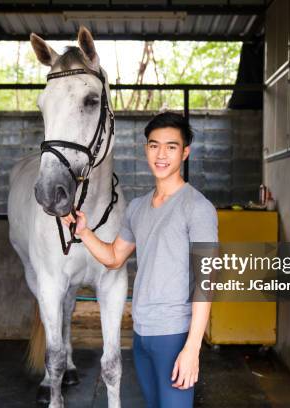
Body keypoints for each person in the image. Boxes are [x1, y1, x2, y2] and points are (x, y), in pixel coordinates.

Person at [61, 111, 218, 407]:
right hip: (141, 333)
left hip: (174, 334)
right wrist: (84, 232)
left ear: (185, 152)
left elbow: (206, 281)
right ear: (145, 148)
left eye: (171, 147)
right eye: (154, 145)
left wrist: (192, 349)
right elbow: (113, 258)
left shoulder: (198, 208)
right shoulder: (136, 208)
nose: (161, 154)